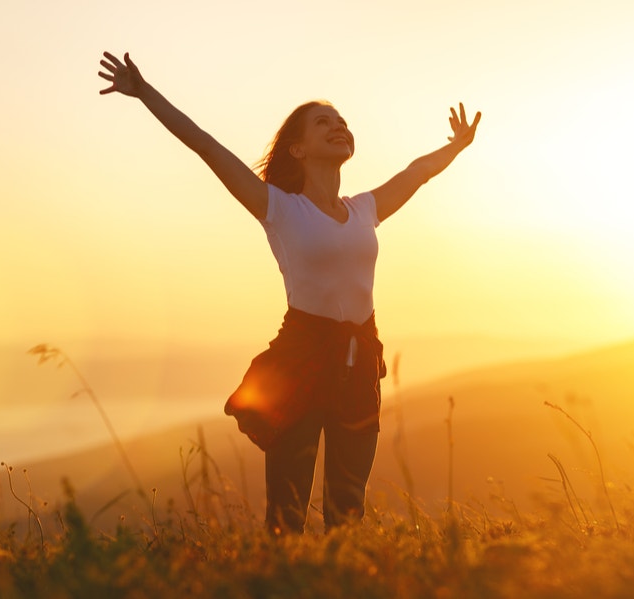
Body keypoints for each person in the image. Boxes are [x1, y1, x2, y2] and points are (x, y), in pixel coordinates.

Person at [97, 51, 480, 534]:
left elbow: (416, 173)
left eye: (342, 122)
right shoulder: (276, 206)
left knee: (347, 509)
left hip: (360, 363)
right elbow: (206, 147)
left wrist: (458, 146)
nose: (339, 127)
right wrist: (145, 93)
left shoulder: (366, 209)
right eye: (323, 123)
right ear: (297, 149)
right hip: (301, 359)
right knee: (287, 512)